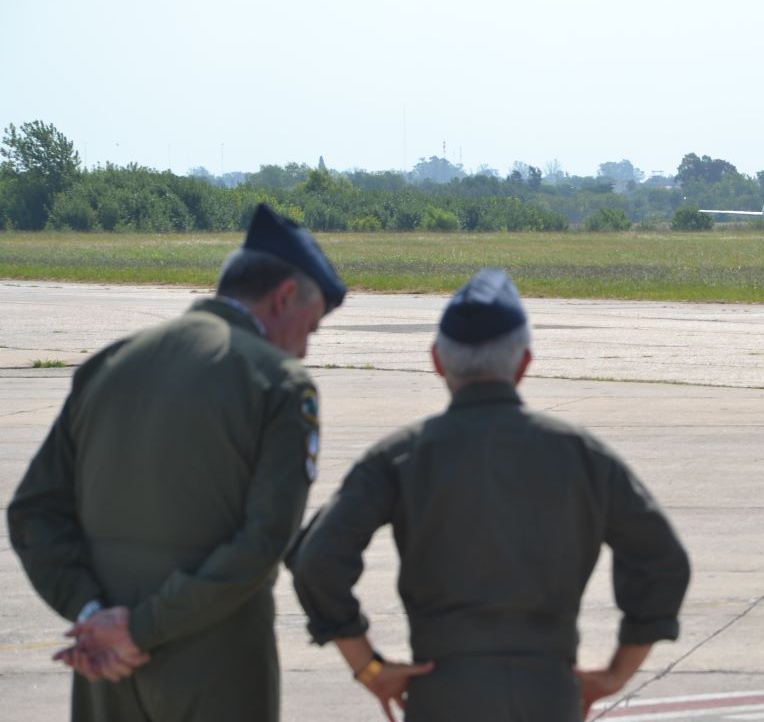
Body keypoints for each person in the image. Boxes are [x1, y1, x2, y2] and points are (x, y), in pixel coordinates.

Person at [288, 268, 689, 722]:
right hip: (550, 694)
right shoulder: (581, 455)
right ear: (523, 364)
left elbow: (317, 561)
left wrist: (370, 667)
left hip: (442, 694)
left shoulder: (401, 457)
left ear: (438, 361)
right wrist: (617, 673)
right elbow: (662, 560)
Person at [7, 204, 346, 722]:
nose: (303, 348)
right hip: (215, 668)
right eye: (311, 328)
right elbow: (263, 542)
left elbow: (34, 511)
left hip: (106, 669)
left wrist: (93, 615)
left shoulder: (112, 362)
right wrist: (139, 628)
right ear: (283, 298)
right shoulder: (278, 383)